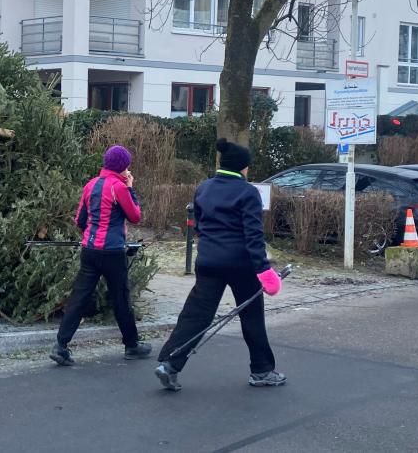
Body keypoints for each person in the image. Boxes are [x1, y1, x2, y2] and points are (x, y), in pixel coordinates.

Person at [154, 138, 284, 391]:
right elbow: (253, 237)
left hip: (208, 261)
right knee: (252, 316)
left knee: (195, 315)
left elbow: (199, 224)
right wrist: (264, 271)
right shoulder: (248, 192)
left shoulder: (204, 187)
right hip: (241, 264)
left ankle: (169, 364)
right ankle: (262, 370)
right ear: (242, 167)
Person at [50, 145, 152, 366]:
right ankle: (132, 345)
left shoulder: (90, 185)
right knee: (121, 299)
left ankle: (61, 345)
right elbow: (135, 216)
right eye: (127, 166)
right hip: (113, 252)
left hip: (89, 250)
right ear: (122, 167)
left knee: (79, 297)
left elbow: (80, 220)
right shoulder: (119, 187)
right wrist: (131, 187)